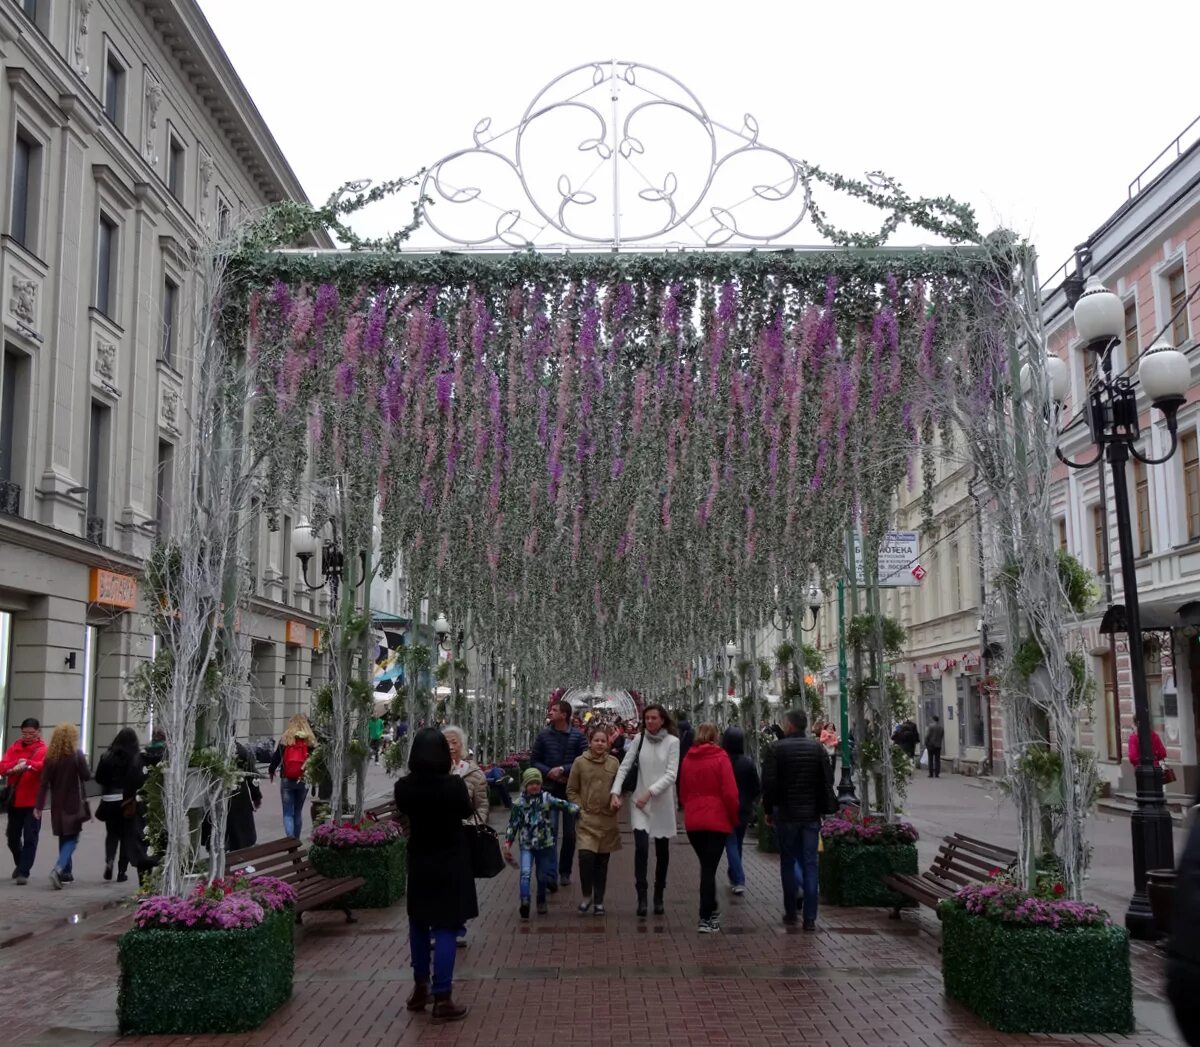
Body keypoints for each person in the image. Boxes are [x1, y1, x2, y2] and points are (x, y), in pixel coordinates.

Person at [392, 728, 475, 1024]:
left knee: (418, 924)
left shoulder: (404, 787)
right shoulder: (453, 785)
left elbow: (402, 811)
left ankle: (419, 989)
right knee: (446, 928)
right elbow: (467, 810)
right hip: (451, 861)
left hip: (420, 861)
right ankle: (443, 996)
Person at [762, 709, 833, 930]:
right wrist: (821, 808)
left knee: (788, 861)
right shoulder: (817, 748)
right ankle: (810, 917)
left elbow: (769, 784)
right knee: (811, 864)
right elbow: (827, 781)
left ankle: (791, 911)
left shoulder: (776, 749)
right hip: (811, 816)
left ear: (790, 725)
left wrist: (768, 810)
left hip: (786, 815)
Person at [611, 703, 681, 917]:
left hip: (660, 803)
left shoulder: (673, 742)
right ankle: (642, 896)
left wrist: (649, 792)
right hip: (639, 804)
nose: (649, 721)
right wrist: (615, 791)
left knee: (662, 851)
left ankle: (659, 895)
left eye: (653, 718)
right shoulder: (639, 740)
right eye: (647, 718)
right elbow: (625, 766)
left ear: (662, 720)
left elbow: (671, 774)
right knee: (641, 848)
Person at [679, 723, 740, 933]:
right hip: (716, 819)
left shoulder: (688, 759)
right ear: (716, 736)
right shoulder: (721, 757)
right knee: (708, 868)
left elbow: (683, 790)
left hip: (694, 820)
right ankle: (705, 917)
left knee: (707, 866)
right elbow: (730, 793)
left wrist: (691, 808)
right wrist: (733, 818)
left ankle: (711, 909)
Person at [504, 769, 579, 917]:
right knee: (525, 872)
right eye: (531, 783)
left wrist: (576, 809)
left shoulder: (546, 798)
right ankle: (525, 900)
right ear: (525, 785)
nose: (534, 786)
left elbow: (562, 804)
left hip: (544, 844)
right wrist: (508, 842)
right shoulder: (519, 804)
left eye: (537, 783)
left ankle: (541, 900)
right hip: (526, 844)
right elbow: (513, 824)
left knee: (542, 874)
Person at [530, 698, 585, 888]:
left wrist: (563, 769)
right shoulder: (544, 736)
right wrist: (548, 772)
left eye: (554, 710)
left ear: (564, 715)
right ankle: (551, 874)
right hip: (550, 790)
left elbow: (584, 760)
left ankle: (565, 871)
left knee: (570, 834)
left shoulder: (578, 737)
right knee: (550, 831)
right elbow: (534, 760)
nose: (550, 712)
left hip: (571, 791)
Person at [567, 725, 621, 916]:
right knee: (585, 857)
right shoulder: (580, 763)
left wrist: (617, 799)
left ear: (608, 743)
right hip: (586, 818)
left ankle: (599, 900)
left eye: (603, 741)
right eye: (596, 740)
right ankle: (586, 894)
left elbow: (620, 787)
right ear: (590, 742)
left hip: (607, 819)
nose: (599, 744)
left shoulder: (614, 764)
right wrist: (579, 807)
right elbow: (571, 789)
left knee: (602, 861)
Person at [443, 725, 488, 947]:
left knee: (461, 883)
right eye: (446, 742)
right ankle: (441, 926)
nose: (451, 747)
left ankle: (456, 925)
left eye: (454, 742)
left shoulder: (473, 773)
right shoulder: (435, 771)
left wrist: (472, 825)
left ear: (462, 745)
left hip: (464, 836)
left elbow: (482, 805)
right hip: (441, 837)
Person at [35, 723, 92, 889]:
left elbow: (44, 784)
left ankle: (66, 873)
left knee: (63, 835)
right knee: (72, 838)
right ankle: (59, 868)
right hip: (73, 803)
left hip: (57, 804)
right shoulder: (76, 755)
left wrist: (38, 806)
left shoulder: (50, 757)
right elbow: (86, 776)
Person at [94, 728, 151, 882]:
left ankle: (109, 860)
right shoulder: (134, 758)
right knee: (127, 835)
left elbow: (99, 778)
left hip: (109, 800)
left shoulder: (106, 756)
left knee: (111, 833)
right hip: (126, 801)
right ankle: (121, 871)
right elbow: (136, 779)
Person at [0, 717, 46, 885]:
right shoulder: (15, 747)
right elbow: (3, 767)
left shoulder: (43, 750)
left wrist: (28, 764)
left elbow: (44, 767)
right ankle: (20, 863)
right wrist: (15, 765)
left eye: (31, 733)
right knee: (12, 837)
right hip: (15, 800)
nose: (27, 736)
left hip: (34, 801)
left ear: (38, 732)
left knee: (30, 836)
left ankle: (24, 872)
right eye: (25, 733)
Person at [721, 725, 761, 897]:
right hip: (743, 809)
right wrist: (753, 802)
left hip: (726, 808)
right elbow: (756, 786)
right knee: (737, 843)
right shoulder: (748, 762)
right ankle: (734, 874)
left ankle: (738, 879)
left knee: (730, 844)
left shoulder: (722, 761)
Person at [269, 714, 314, 839]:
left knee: (288, 812)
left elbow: (276, 759)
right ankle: (297, 840)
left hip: (287, 778)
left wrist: (271, 771)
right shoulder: (310, 740)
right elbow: (316, 760)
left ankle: (290, 838)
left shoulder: (286, 739)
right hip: (304, 779)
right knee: (298, 812)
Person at [226, 738, 261, 852]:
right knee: (240, 829)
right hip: (240, 793)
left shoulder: (215, 747)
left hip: (222, 793)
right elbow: (252, 774)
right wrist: (256, 796)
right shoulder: (242, 750)